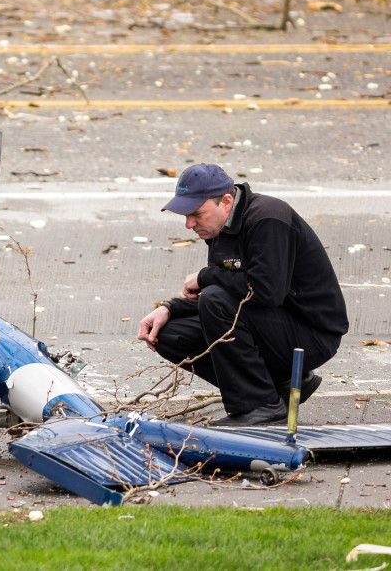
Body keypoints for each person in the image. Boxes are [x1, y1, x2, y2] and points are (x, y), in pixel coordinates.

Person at [137, 164, 348, 426]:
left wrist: (205, 276)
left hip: (312, 335)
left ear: (226, 201)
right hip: (273, 326)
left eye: (196, 214)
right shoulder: (219, 227)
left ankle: (260, 406)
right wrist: (170, 308)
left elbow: (264, 292)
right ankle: (277, 383)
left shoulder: (269, 218)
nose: (189, 224)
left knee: (214, 299)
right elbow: (230, 293)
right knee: (168, 334)